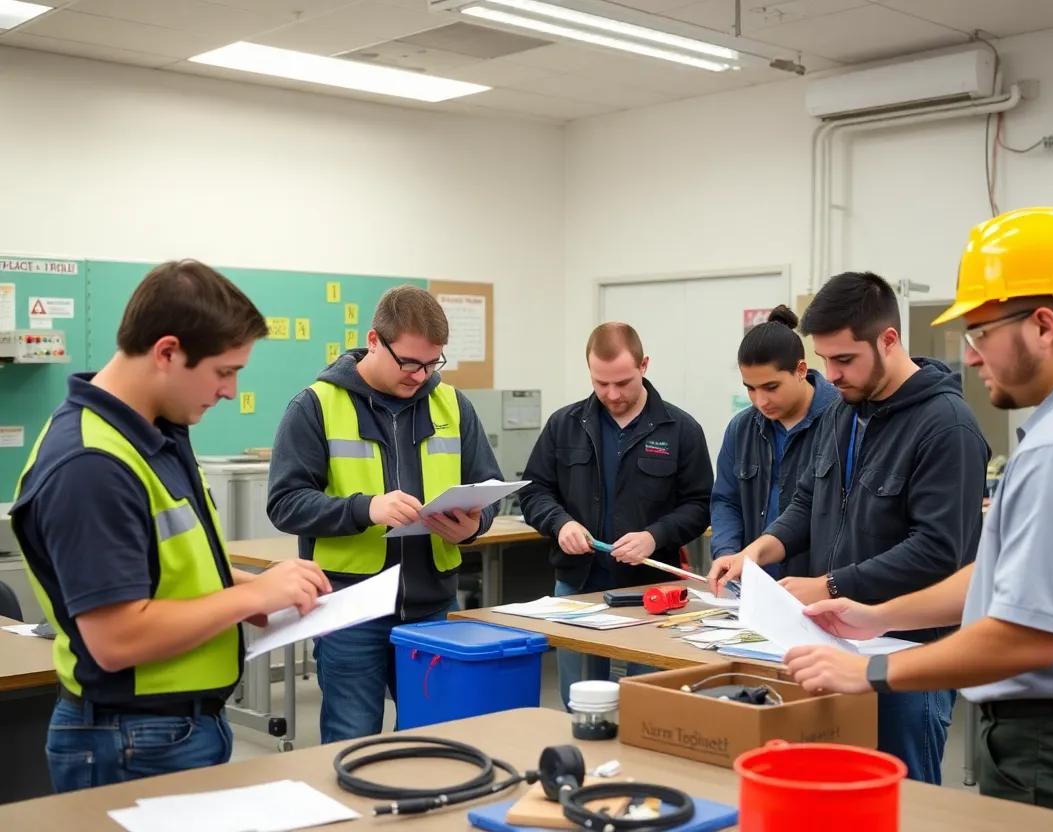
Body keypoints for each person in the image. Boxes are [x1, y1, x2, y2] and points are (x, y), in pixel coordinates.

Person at [775, 207, 1053, 830]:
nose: (970, 357)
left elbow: (1027, 634)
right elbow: (1004, 577)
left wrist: (869, 670)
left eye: (979, 333)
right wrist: (879, 616)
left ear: (1043, 325)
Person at [9, 260, 332, 793]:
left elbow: (164, 565)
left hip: (174, 728)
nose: (229, 391)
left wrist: (253, 589)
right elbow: (116, 637)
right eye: (224, 371)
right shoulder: (91, 464)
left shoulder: (157, 430)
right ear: (166, 352)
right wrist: (245, 598)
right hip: (131, 737)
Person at [709, 271, 991, 785]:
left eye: (845, 360)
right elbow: (808, 502)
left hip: (910, 652)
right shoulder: (845, 413)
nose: (832, 375)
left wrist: (831, 585)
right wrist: (758, 551)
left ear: (888, 340)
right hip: (839, 646)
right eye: (824, 361)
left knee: (905, 795)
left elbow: (939, 552)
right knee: (839, 790)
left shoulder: (946, 426)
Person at [267, 285, 503, 744]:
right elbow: (284, 502)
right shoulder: (316, 405)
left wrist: (476, 525)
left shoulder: (453, 406)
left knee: (435, 740)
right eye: (409, 363)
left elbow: (489, 490)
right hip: (350, 610)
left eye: (432, 363)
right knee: (353, 740)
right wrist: (365, 508)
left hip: (433, 606)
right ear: (374, 340)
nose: (420, 375)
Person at [520, 323, 713, 709]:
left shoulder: (681, 430)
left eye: (623, 382)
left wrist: (654, 537)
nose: (612, 395)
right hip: (577, 589)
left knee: (650, 703)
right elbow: (534, 490)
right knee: (581, 705)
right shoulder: (565, 425)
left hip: (651, 593)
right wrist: (561, 523)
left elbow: (701, 505)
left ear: (644, 365)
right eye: (600, 383)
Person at [710, 305, 840, 579]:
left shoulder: (842, 421)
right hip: (754, 589)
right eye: (750, 389)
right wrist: (725, 552)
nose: (761, 401)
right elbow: (726, 501)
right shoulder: (741, 428)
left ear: (801, 370)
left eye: (771, 387)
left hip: (819, 588)